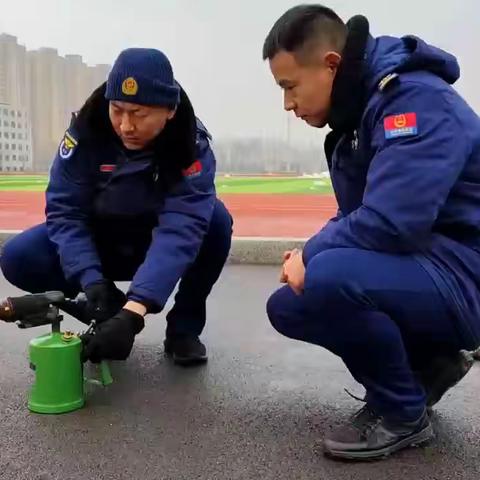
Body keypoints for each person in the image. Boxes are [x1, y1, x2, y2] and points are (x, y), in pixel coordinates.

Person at [263, 4, 480, 461]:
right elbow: (356, 215)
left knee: (328, 277)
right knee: (289, 306)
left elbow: (392, 221)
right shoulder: (362, 113)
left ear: (331, 65)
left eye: (289, 87)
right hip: (434, 264)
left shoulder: (414, 101)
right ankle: (428, 370)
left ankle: (402, 414)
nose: (287, 104)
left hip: (466, 269)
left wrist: (315, 257)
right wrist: (307, 252)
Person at [0, 48, 233, 366]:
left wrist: (135, 312)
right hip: (102, 239)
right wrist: (91, 280)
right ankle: (104, 305)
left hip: (153, 240)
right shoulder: (87, 131)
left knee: (216, 222)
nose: (125, 126)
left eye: (138, 114)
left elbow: (183, 226)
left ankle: (183, 331)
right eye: (118, 110)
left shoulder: (190, 144)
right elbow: (65, 211)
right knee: (18, 256)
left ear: (170, 110)